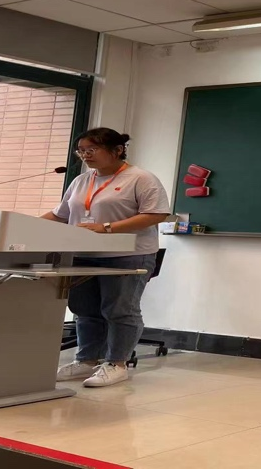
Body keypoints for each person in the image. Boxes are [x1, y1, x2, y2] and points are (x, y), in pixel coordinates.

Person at [42, 128, 170, 388]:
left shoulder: (141, 178)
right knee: (84, 310)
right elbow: (60, 215)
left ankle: (117, 364)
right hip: (83, 254)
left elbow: (156, 214)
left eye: (92, 149)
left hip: (128, 255)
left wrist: (107, 227)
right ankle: (86, 360)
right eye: (81, 151)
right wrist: (19, 225)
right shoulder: (81, 181)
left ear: (117, 150)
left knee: (120, 310)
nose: (85, 155)